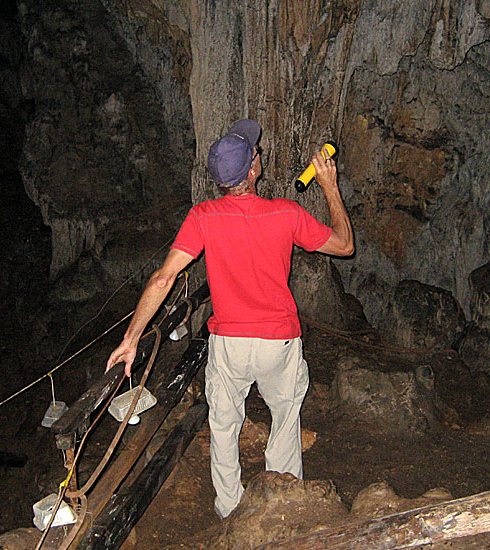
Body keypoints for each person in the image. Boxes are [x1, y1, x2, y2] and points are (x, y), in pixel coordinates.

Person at [106, 119, 354, 518]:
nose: (260, 155)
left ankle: (228, 508)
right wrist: (329, 186)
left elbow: (163, 277)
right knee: (285, 419)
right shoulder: (285, 214)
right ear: (252, 171)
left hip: (230, 345)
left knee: (223, 424)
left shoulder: (202, 217)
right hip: (279, 343)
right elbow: (344, 245)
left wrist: (131, 338)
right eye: (256, 153)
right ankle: (283, 506)